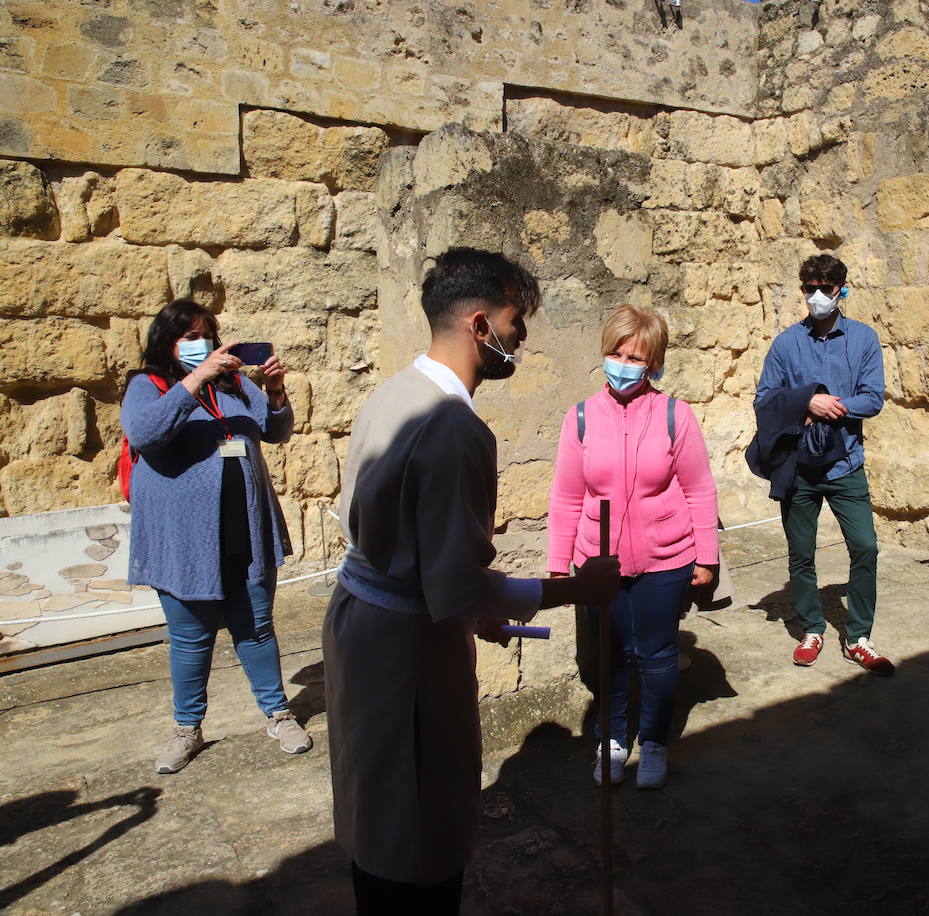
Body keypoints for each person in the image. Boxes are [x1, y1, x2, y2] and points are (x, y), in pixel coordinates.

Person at [323, 248, 620, 912]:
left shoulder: (395, 390)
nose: (521, 337)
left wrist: (464, 604)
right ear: (480, 323)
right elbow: (457, 588)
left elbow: (419, 555)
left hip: (367, 627)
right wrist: (582, 589)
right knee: (414, 830)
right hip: (405, 652)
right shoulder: (454, 428)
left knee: (379, 814)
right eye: (516, 321)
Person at [120, 298, 310, 775]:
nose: (200, 343)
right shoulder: (149, 385)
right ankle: (187, 728)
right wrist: (196, 379)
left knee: (257, 627)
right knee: (190, 638)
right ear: (168, 343)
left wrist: (275, 393)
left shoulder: (237, 385)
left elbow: (276, 432)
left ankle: (278, 713)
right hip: (184, 541)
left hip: (244, 529)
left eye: (206, 333)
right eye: (189, 336)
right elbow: (145, 433)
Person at [546, 304, 720, 790]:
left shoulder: (674, 416)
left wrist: (706, 556)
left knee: (659, 654)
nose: (623, 364)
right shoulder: (579, 418)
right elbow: (566, 495)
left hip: (665, 560)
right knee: (610, 656)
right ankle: (612, 739)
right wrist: (560, 565)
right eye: (615, 353)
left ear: (655, 364)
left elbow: (699, 488)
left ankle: (655, 741)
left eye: (635, 357)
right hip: (598, 562)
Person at [754, 254, 893, 675]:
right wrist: (804, 401)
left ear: (841, 291)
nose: (816, 296)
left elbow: (873, 398)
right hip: (798, 467)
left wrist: (832, 406)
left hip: (846, 464)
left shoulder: (864, 340)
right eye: (809, 288)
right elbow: (764, 398)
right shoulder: (786, 343)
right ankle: (813, 627)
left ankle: (858, 636)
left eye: (825, 289)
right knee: (801, 552)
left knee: (866, 546)